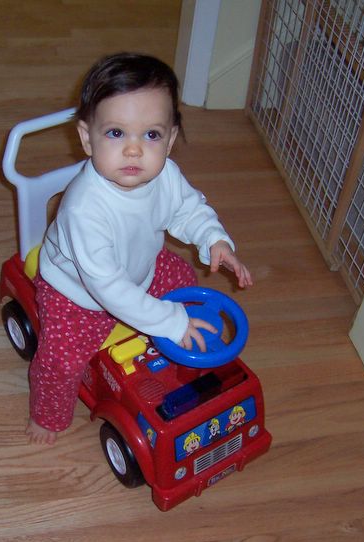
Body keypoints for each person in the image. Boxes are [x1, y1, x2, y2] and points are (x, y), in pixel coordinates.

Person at [26, 52, 253, 444]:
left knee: (183, 279)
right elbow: (109, 289)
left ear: (171, 139)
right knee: (61, 360)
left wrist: (214, 239)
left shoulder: (166, 176)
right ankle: (47, 415)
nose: (134, 150)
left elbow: (188, 209)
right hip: (79, 293)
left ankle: (177, 344)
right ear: (87, 138)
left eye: (151, 135)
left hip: (140, 266)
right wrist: (170, 321)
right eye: (116, 133)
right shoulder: (84, 209)